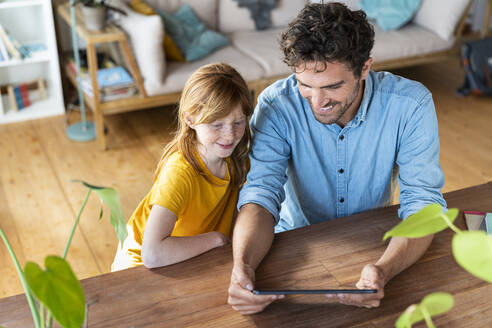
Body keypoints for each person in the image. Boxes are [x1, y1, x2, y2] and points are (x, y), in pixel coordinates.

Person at [227, 2, 446, 314]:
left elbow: (423, 205)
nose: (317, 102)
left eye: (332, 86)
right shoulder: (276, 105)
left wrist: (383, 270)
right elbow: (260, 196)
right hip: (290, 244)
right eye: (305, 85)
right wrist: (243, 268)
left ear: (365, 68)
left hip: (377, 247)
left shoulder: (411, 105)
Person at [111, 63, 253, 271]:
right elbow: (152, 254)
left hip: (193, 256)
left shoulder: (238, 157)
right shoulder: (180, 172)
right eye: (217, 125)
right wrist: (216, 239)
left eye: (238, 122)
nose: (230, 135)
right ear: (190, 119)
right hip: (141, 266)